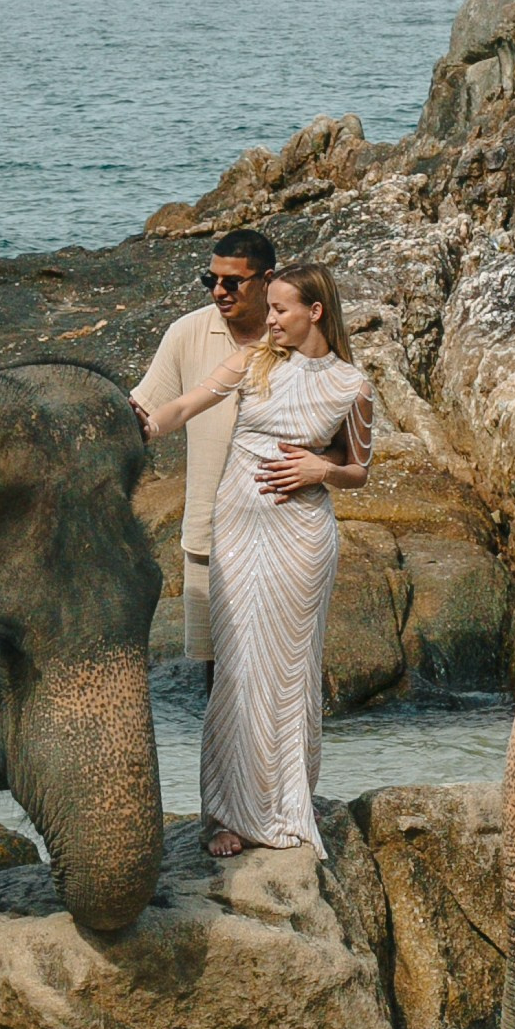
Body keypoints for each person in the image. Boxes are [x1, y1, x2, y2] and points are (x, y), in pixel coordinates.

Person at [139, 260, 370, 857]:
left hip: (303, 539)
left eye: (279, 310)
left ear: (314, 312)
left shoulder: (353, 386)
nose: (267, 320)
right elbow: (184, 407)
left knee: (290, 671)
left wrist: (324, 469)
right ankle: (225, 814)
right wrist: (137, 425)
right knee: (237, 667)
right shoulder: (253, 361)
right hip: (238, 530)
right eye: (268, 309)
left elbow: (358, 470)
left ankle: (285, 805)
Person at [132, 230, 275, 665]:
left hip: (278, 535)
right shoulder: (186, 333)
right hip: (207, 537)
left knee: (276, 671)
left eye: (232, 282)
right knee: (214, 676)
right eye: (209, 280)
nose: (218, 291)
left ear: (268, 279)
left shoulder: (296, 334)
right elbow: (145, 413)